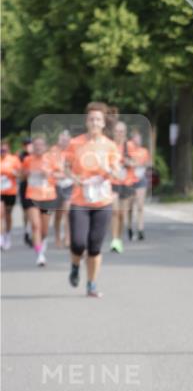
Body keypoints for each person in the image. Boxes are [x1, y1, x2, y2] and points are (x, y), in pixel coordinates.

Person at [65, 102, 121, 298]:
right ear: (86, 121)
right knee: (78, 243)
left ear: (104, 123)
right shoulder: (75, 143)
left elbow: (118, 172)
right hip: (80, 200)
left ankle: (91, 284)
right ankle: (75, 266)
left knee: (95, 246)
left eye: (98, 119)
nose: (95, 122)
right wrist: (75, 179)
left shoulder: (110, 146)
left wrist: (108, 170)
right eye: (91, 119)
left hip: (102, 201)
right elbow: (66, 167)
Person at [21, 134, 60, 266]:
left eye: (41, 145)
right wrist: (25, 174)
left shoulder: (51, 159)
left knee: (44, 229)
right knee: (35, 225)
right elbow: (21, 176)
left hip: (48, 197)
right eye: (36, 145)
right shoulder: (28, 160)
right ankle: (40, 255)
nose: (38, 147)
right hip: (32, 196)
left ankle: (43, 241)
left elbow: (61, 174)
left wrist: (49, 174)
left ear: (46, 147)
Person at [109, 120, 134, 253]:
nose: (119, 134)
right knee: (114, 211)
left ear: (125, 133)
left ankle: (118, 238)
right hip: (113, 182)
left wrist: (128, 162)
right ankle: (114, 240)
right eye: (117, 131)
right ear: (113, 132)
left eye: (122, 131)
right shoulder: (109, 145)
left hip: (126, 182)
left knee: (122, 214)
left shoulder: (130, 146)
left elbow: (136, 162)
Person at [127, 127, 151, 241]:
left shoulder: (144, 151)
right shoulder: (128, 150)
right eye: (136, 138)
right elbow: (124, 161)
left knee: (140, 205)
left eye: (139, 138)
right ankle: (129, 227)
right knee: (130, 206)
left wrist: (143, 165)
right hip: (130, 180)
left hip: (141, 179)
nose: (138, 140)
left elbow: (148, 163)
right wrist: (131, 163)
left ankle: (140, 229)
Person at [51, 130, 73, 248]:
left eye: (66, 139)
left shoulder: (72, 152)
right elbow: (49, 170)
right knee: (58, 214)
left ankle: (68, 238)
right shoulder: (53, 152)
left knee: (67, 212)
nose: (64, 141)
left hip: (69, 185)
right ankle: (57, 236)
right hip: (56, 185)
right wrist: (58, 174)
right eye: (62, 139)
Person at [1, 141, 22, 250]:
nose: (2, 152)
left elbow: (20, 174)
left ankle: (7, 235)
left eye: (4, 150)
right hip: (0, 192)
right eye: (1, 150)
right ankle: (1, 238)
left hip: (10, 192)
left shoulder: (14, 159)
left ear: (8, 150)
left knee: (8, 216)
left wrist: (14, 173)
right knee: (0, 214)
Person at [18, 136, 33, 245]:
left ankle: (32, 232)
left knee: (34, 211)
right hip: (25, 186)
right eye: (26, 144)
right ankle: (26, 230)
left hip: (36, 188)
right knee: (26, 211)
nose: (28, 146)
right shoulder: (21, 156)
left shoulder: (36, 155)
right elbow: (20, 173)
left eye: (29, 144)